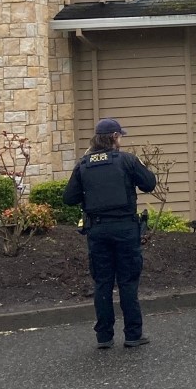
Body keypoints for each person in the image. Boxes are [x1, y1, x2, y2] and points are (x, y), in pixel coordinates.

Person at [63, 118, 157, 349]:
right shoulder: (126, 160)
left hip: (97, 230)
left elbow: (69, 198)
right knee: (127, 282)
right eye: (120, 136)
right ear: (115, 137)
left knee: (103, 283)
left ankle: (104, 337)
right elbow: (149, 184)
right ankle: (133, 334)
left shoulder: (83, 164)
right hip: (125, 228)